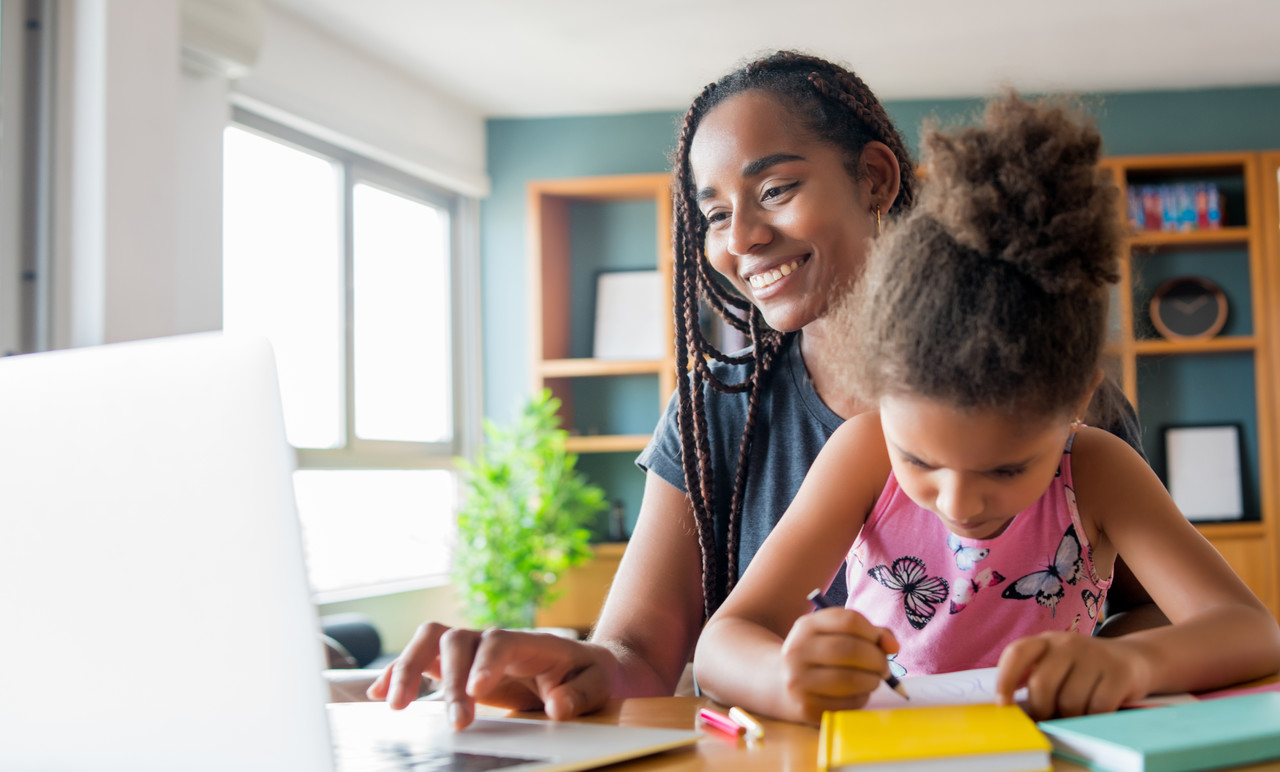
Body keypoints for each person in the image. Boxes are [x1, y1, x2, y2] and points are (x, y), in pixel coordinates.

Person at [367, 51, 1165, 729]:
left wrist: (1093, 668)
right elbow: (640, 657)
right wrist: (560, 670)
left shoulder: (1046, 398)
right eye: (714, 214)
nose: (741, 237)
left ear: (875, 178)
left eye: (775, 189)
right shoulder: (716, 414)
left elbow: (1164, 610)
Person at [691, 93, 1280, 725]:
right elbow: (721, 645)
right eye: (921, 462)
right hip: (890, 763)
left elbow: (1249, 629)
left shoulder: (1098, 470)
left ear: (1077, 399)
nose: (960, 503)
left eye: (1005, 469)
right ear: (881, 391)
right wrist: (784, 676)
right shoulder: (862, 453)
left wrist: (1131, 663)